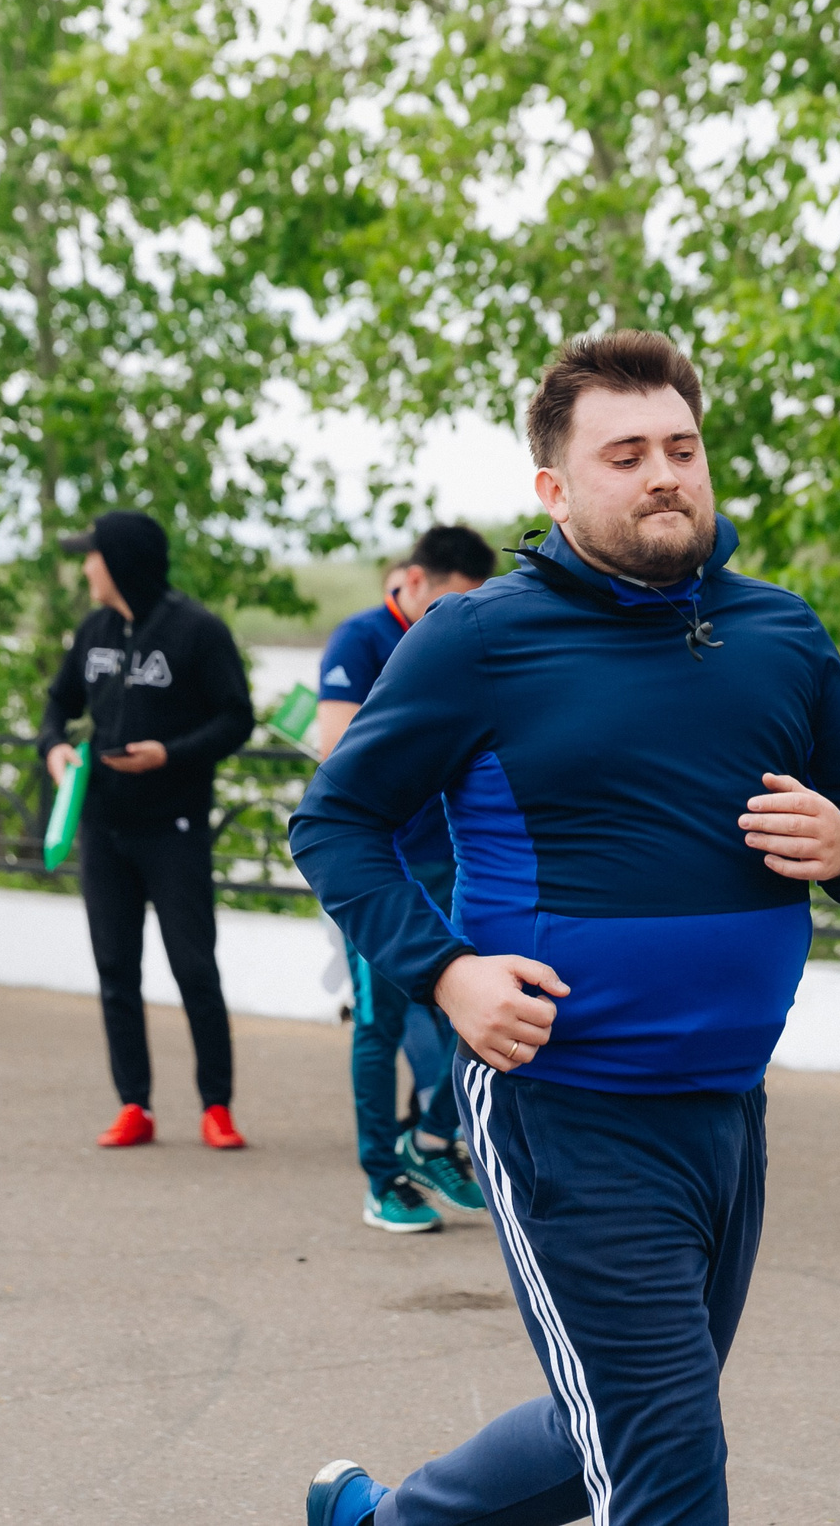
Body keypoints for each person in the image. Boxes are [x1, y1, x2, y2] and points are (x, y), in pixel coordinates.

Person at [292, 330, 840, 1526]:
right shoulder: (478, 640)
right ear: (556, 487)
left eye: (680, 447)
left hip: (724, 1103)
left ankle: (385, 1522)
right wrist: (445, 972)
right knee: (668, 1464)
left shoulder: (782, 634)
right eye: (624, 453)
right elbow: (336, 823)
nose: (662, 473)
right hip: (558, 1097)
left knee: (615, 1427)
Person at [36, 510, 256, 1150]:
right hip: (102, 827)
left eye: (91, 556)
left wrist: (170, 753)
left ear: (121, 563)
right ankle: (134, 1103)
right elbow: (57, 704)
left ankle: (217, 1106)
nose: (84, 568)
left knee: (194, 966)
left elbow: (236, 719)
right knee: (114, 968)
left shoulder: (198, 632)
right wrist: (54, 748)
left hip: (174, 826)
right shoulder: (94, 631)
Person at [316, 525, 497, 1234]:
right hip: (380, 865)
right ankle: (381, 1176)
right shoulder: (360, 640)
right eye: (452, 600)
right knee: (378, 1022)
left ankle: (427, 1141)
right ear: (414, 581)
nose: (461, 615)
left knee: (480, 1005)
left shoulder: (464, 637)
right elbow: (337, 750)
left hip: (457, 858)